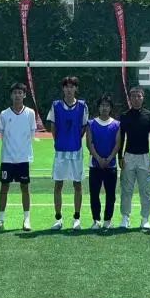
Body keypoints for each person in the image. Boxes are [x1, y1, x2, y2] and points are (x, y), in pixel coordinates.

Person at [46, 76, 88, 231]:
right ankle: (58, 219)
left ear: (76, 88)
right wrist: (60, 141)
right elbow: (53, 127)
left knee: (77, 184)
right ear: (63, 89)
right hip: (61, 151)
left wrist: (75, 139)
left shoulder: (82, 106)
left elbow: (83, 127)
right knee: (58, 185)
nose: (69, 89)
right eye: (66, 86)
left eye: (72, 86)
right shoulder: (56, 105)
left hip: (76, 151)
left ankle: (77, 218)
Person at [0, 82, 37, 231]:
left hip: (23, 159)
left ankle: (26, 219)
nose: (18, 95)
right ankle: (1, 219)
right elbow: (2, 134)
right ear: (11, 95)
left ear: (24, 95)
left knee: (25, 188)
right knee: (4, 188)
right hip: (7, 159)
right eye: (15, 93)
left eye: (20, 92)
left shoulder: (30, 113)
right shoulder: (4, 114)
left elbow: (31, 134)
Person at [118, 85, 150, 230]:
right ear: (130, 98)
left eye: (139, 96)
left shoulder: (149, 115)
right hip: (128, 157)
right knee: (126, 189)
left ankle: (145, 219)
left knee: (145, 190)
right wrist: (120, 156)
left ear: (143, 98)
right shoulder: (124, 116)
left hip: (144, 157)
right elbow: (121, 137)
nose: (136, 99)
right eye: (133, 96)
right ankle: (125, 217)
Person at [86, 95, 120, 229]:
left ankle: (107, 220)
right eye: (102, 105)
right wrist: (99, 158)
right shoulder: (91, 123)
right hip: (95, 165)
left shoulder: (117, 124)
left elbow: (117, 144)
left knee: (111, 195)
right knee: (94, 194)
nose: (104, 108)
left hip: (111, 165)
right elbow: (89, 143)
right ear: (98, 108)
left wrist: (110, 158)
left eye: (107, 105)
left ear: (110, 108)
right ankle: (96, 220)